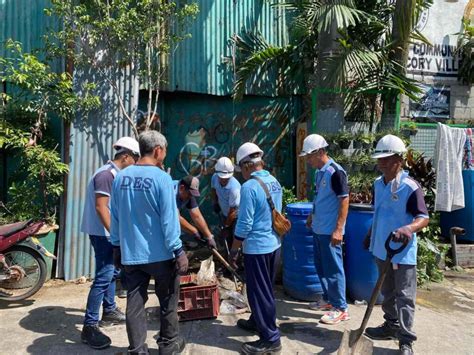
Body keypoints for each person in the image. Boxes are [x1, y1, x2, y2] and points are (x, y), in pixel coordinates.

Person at [110, 130, 188, 355]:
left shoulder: (121, 177)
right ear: (158, 150)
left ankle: (137, 350)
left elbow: (114, 215)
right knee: (168, 302)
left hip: (131, 254)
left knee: (134, 305)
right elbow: (169, 220)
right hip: (162, 255)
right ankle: (168, 346)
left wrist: (116, 245)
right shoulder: (162, 179)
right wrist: (178, 249)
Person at [363, 134, 429, 355]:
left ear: (398, 160)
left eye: (386, 158)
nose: (381, 163)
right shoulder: (377, 184)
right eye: (379, 159)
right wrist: (370, 234)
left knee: (404, 295)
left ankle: (406, 339)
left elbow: (423, 217)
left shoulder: (410, 187)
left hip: (402, 252)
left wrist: (409, 228)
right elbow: (378, 213)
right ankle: (390, 325)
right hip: (382, 249)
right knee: (388, 292)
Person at [80, 136, 139, 349]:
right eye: (134, 158)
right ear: (125, 157)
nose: (135, 163)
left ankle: (110, 308)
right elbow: (101, 207)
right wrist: (116, 235)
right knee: (104, 276)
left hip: (105, 233)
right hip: (103, 234)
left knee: (112, 272)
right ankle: (90, 326)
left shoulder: (111, 173)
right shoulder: (106, 175)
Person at [229, 142, 283, 355]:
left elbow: (244, 224)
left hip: (258, 248)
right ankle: (257, 320)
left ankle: (270, 339)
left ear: (246, 166)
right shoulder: (274, 181)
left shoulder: (249, 186)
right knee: (265, 290)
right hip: (274, 245)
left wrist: (234, 250)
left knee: (259, 293)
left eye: (241, 169)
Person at [299, 134, 350, 325]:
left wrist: (338, 229)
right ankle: (329, 300)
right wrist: (312, 216)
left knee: (334, 269)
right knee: (321, 267)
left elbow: (344, 199)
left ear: (320, 152)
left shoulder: (336, 172)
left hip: (330, 231)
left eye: (310, 156)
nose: (308, 161)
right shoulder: (320, 172)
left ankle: (341, 308)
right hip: (319, 229)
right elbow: (319, 197)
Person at [175, 175, 217, 249]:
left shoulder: (187, 194)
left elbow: (197, 216)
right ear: (182, 188)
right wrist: (194, 232)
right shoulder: (170, 193)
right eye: (190, 194)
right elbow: (175, 218)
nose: (190, 197)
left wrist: (209, 236)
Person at [211, 157, 241, 252]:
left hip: (237, 216)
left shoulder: (234, 188)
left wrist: (226, 227)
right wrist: (215, 202)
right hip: (225, 213)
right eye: (222, 177)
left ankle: (237, 261)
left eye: (226, 178)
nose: (224, 180)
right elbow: (213, 189)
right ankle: (228, 259)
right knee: (227, 240)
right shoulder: (215, 177)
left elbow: (233, 211)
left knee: (236, 239)